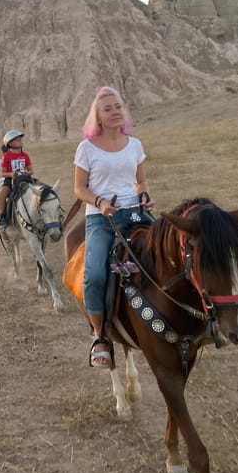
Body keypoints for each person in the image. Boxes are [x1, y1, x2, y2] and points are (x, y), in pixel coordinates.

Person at [73, 86, 154, 369]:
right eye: (108, 108)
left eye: (118, 106)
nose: (115, 111)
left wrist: (143, 195)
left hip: (135, 214)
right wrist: (100, 201)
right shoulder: (86, 149)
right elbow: (79, 188)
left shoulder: (135, 144)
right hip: (102, 219)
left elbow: (140, 181)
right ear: (98, 115)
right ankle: (99, 336)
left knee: (171, 251)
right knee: (94, 275)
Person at [0, 130, 32, 229]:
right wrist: (11, 174)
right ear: (10, 143)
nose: (21, 141)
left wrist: (26, 173)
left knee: (39, 187)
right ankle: (2, 216)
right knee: (3, 192)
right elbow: (2, 173)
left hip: (25, 179)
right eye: (18, 140)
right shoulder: (6, 156)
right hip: (11, 180)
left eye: (21, 140)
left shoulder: (25, 155)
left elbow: (31, 171)